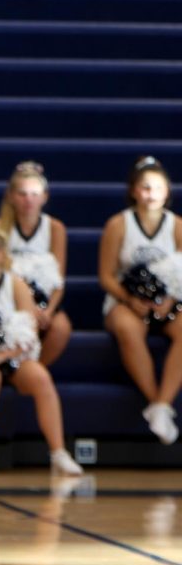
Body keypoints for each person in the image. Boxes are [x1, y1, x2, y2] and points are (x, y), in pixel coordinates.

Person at [0, 219, 83, 475]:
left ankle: (58, 453)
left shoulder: (16, 285)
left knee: (40, 376)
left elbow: (29, 335)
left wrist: (0, 357)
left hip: (9, 355)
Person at [98, 156, 182, 445]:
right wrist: (130, 299)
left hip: (168, 301)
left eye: (157, 188)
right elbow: (106, 276)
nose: (151, 194)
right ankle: (154, 400)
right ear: (133, 190)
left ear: (167, 191)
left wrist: (171, 298)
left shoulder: (177, 225)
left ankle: (162, 405)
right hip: (127, 301)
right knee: (128, 329)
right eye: (145, 187)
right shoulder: (118, 224)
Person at [0, 161, 72, 366]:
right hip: (10, 300)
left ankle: (33, 370)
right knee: (26, 323)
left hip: (46, 300)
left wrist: (48, 310)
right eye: (22, 194)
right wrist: (27, 307)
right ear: (11, 197)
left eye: (34, 194)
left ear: (44, 197)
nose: (28, 200)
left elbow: (58, 279)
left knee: (61, 328)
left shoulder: (55, 228)